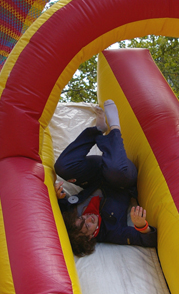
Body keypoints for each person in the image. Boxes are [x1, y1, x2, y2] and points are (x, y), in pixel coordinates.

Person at [54, 100, 157, 257]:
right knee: (116, 169)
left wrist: (59, 196)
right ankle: (115, 127)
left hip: (96, 175)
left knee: (63, 167)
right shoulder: (112, 232)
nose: (88, 219)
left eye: (82, 219)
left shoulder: (71, 219)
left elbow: (61, 206)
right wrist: (142, 226)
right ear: (90, 237)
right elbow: (149, 240)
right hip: (120, 180)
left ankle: (98, 130)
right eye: (88, 226)